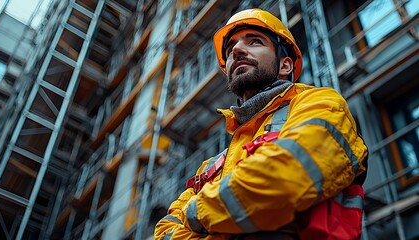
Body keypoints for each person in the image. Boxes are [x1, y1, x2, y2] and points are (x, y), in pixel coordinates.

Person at [154, 8, 368, 240]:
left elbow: (286, 179)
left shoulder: (318, 103)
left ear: (285, 65)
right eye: (230, 48)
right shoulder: (210, 167)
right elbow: (165, 230)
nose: (235, 50)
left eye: (255, 41)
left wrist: (196, 213)